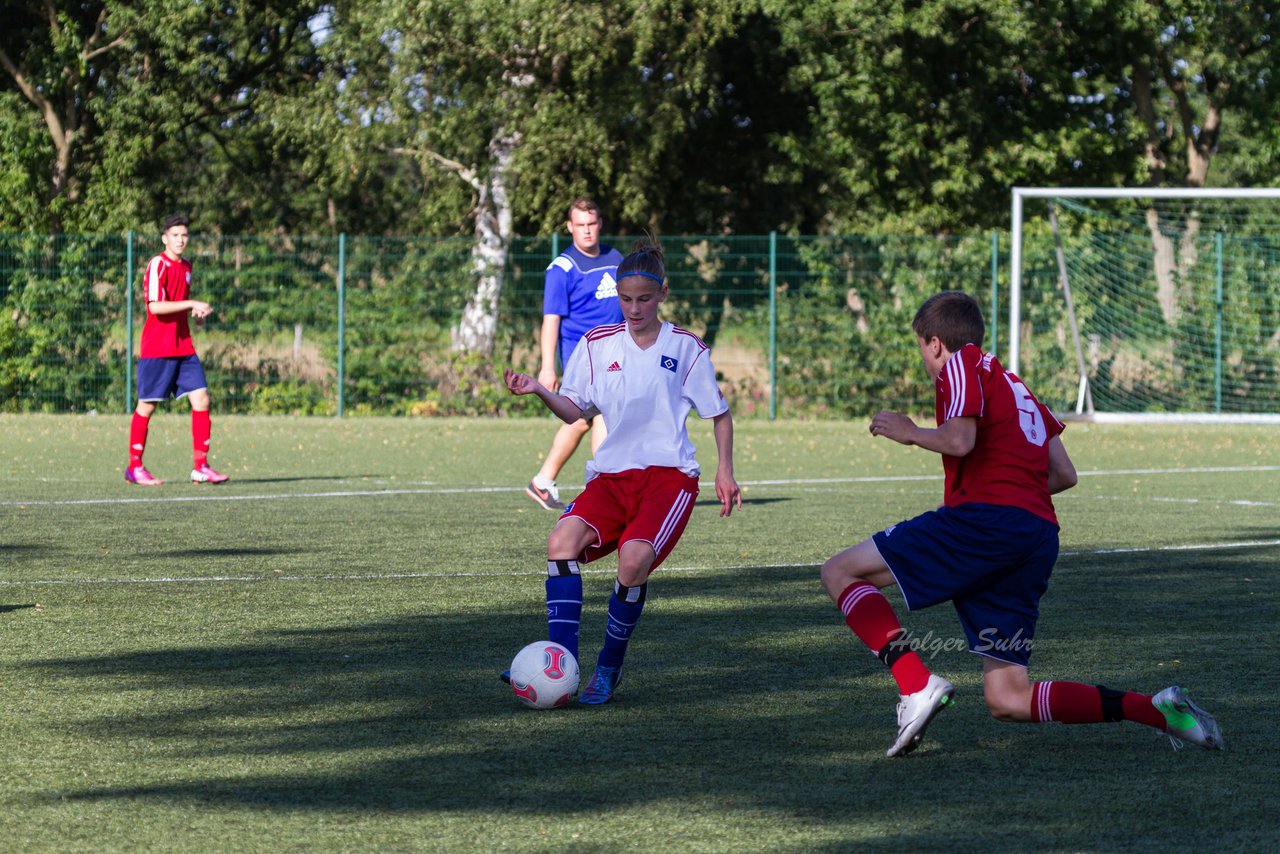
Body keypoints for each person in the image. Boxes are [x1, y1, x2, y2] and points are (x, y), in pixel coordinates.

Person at [820, 290, 1222, 757]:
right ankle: (1158, 711)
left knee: (839, 571)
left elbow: (960, 438)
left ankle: (914, 684)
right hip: (1034, 538)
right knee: (1008, 698)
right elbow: (1064, 475)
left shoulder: (962, 364)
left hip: (988, 523)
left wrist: (908, 431)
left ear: (934, 343)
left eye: (921, 349)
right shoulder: (1015, 384)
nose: (926, 361)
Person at [503, 239, 741, 704]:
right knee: (560, 542)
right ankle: (562, 667)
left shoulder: (687, 349)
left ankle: (607, 669)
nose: (634, 308)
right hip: (610, 478)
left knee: (633, 561)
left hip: (668, 480)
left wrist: (725, 471)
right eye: (626, 299)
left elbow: (720, 415)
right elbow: (573, 410)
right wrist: (536, 389)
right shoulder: (596, 344)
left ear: (663, 293)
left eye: (644, 299)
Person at [525, 198, 624, 510]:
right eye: (580, 225)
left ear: (600, 223)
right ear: (569, 227)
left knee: (584, 420)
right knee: (600, 415)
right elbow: (550, 320)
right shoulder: (562, 269)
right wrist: (547, 367)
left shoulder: (614, 257)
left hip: (616, 354)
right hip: (585, 360)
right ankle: (604, 487)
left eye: (591, 223)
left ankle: (543, 481)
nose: (586, 230)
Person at [125, 214, 229, 486]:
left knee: (202, 399)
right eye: (175, 235)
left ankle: (201, 466)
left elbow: (181, 307)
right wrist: (191, 302)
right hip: (158, 348)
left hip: (183, 347)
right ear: (164, 238)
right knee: (146, 406)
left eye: (184, 235)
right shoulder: (157, 264)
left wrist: (197, 314)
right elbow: (155, 307)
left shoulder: (187, 266)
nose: (180, 239)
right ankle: (134, 467)